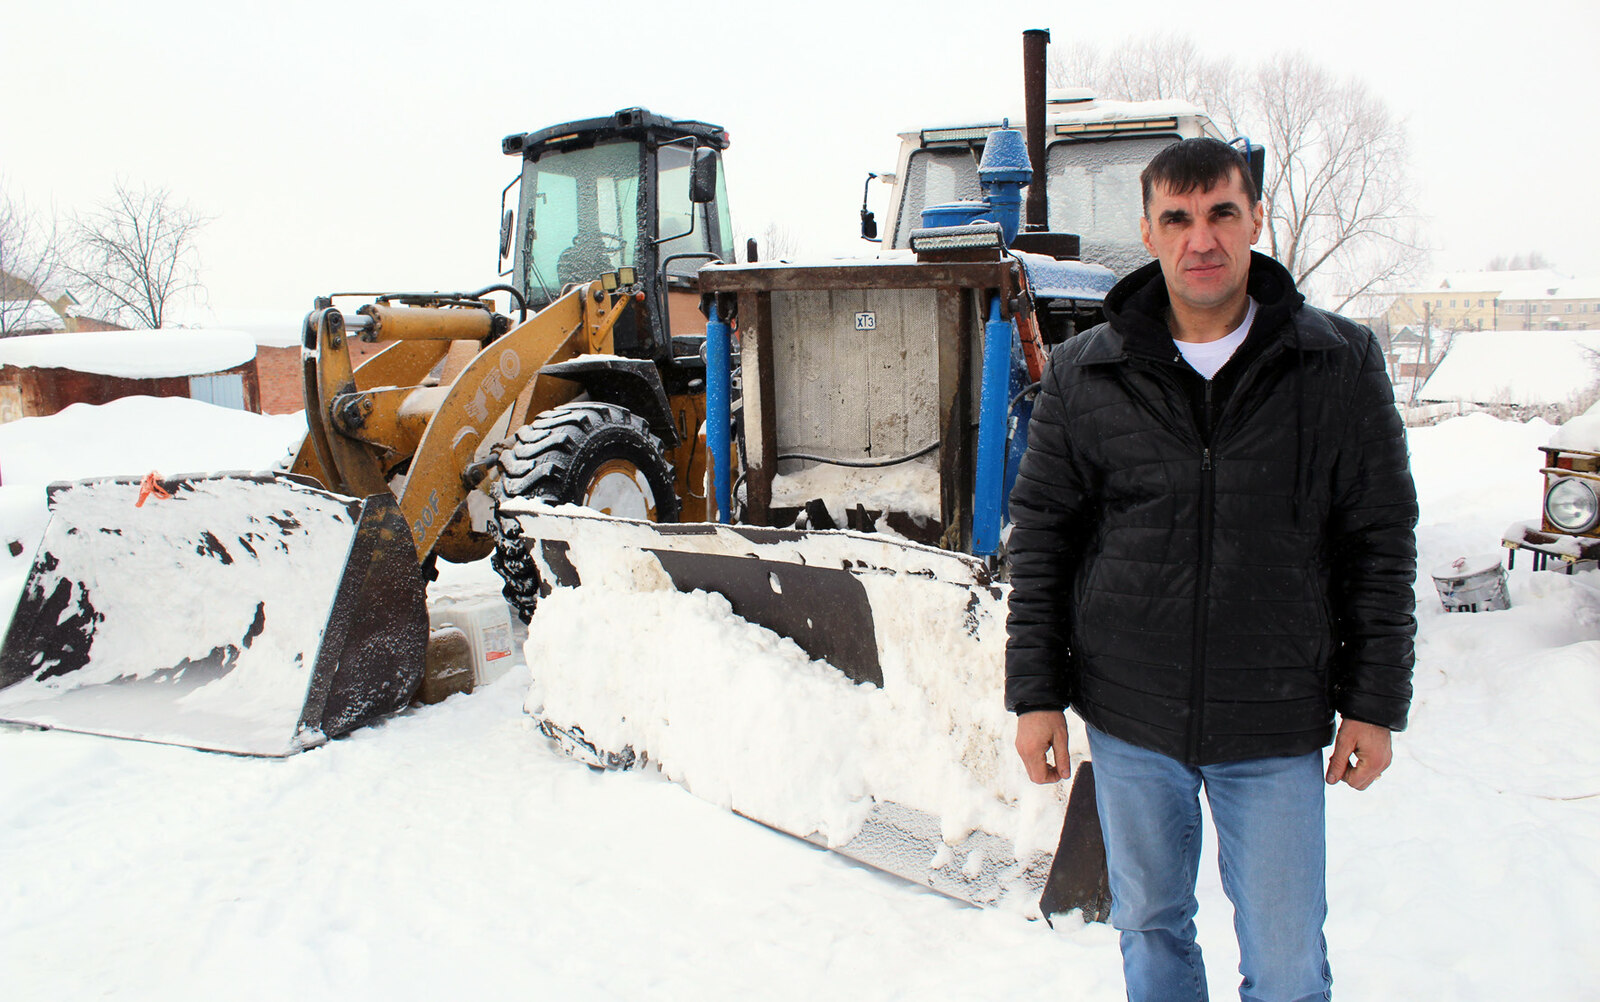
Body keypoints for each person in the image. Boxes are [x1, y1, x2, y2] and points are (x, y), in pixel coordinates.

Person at [1005, 137, 1417, 1002]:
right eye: (1179, 219)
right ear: (1148, 233)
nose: (1203, 239)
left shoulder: (1336, 364)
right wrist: (1037, 693)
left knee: (1287, 961)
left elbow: (1378, 540)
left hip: (1272, 719)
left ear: (1256, 219)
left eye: (1223, 213)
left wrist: (1373, 704)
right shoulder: (1088, 375)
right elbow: (1043, 539)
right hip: (1131, 719)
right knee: (1150, 931)